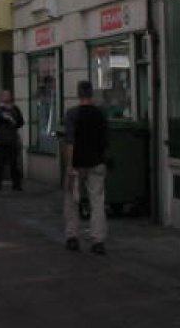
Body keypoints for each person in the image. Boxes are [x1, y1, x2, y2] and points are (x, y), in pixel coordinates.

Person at [63, 80, 110, 255]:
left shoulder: (72, 114)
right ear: (91, 94)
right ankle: (98, 240)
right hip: (97, 162)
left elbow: (70, 142)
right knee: (97, 202)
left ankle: (72, 237)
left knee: (72, 201)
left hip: (77, 163)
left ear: (78, 93)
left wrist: (69, 166)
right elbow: (105, 141)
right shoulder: (100, 114)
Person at [0, 90, 24, 192]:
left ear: (11, 97)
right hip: (1, 140)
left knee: (14, 163)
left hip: (12, 139)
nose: (6, 97)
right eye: (4, 95)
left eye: (8, 95)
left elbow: (21, 122)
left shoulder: (15, 109)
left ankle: (16, 184)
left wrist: (13, 126)